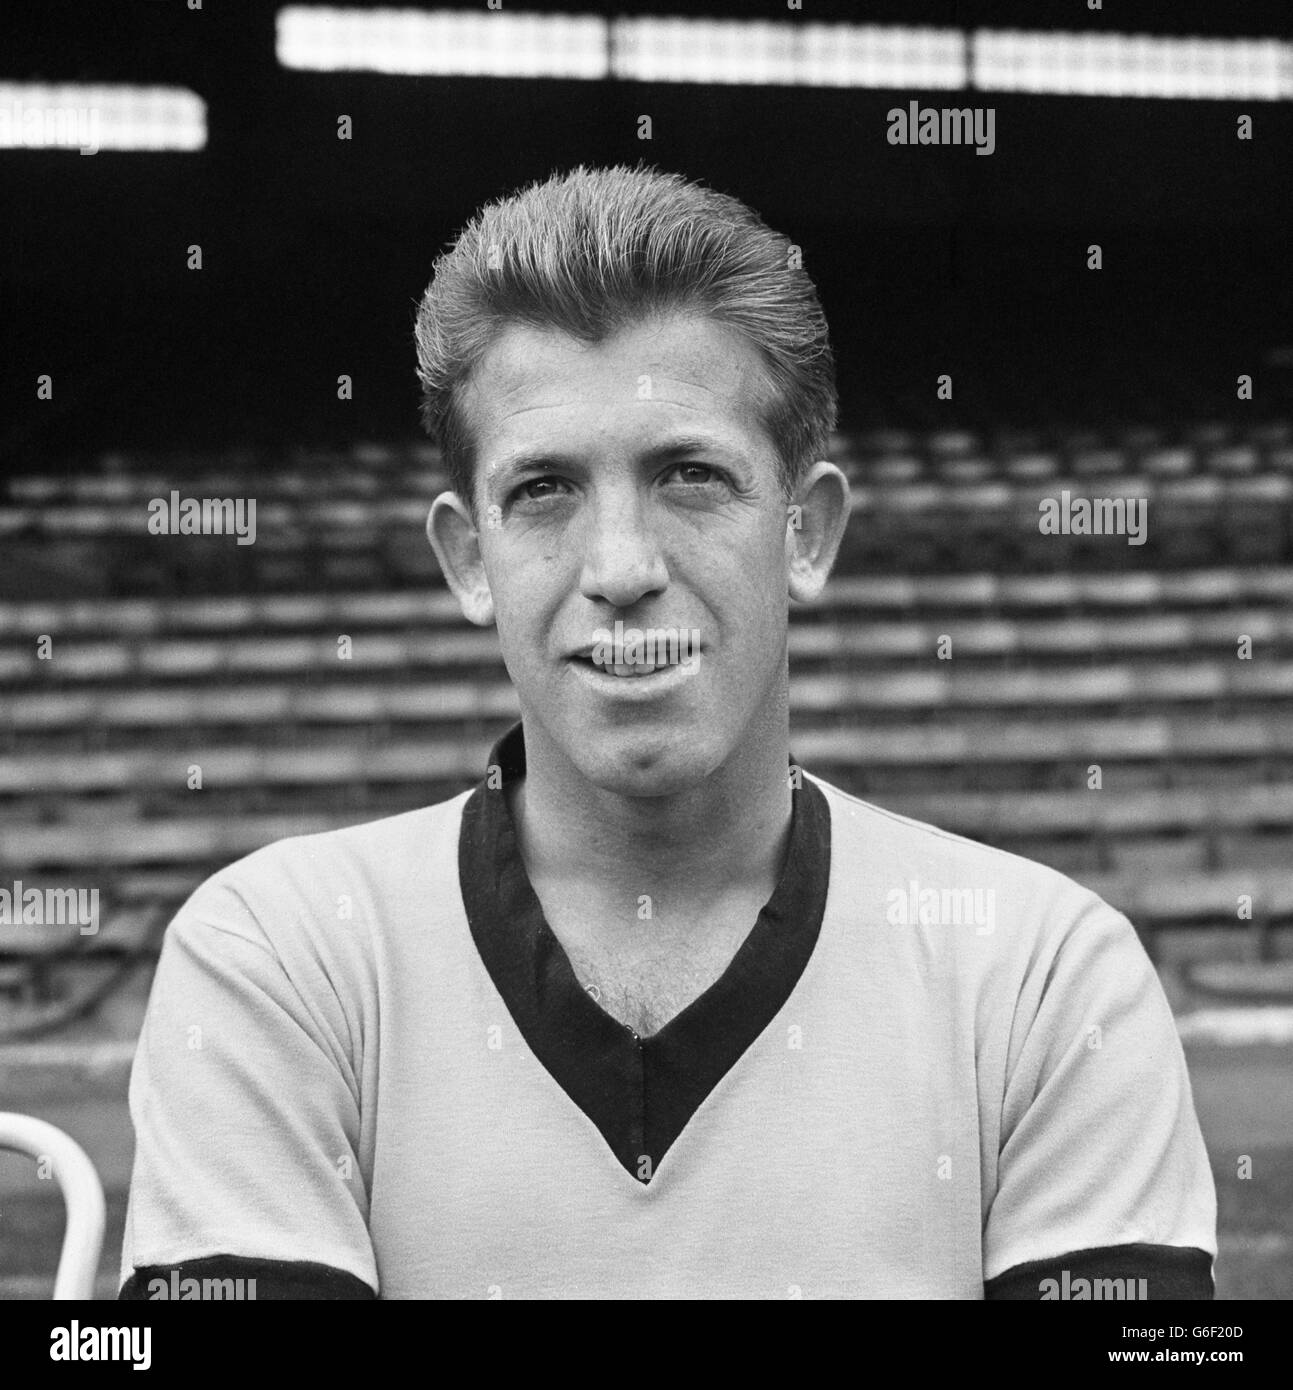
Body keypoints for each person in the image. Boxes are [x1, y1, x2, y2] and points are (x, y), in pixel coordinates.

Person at [120, 164, 1216, 1299]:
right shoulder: (281, 955)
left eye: (690, 475)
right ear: (465, 559)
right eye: (544, 490)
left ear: (808, 532)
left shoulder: (1042, 972)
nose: (622, 570)